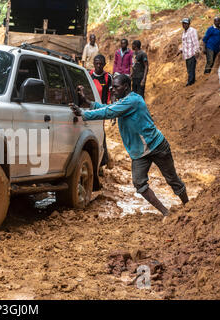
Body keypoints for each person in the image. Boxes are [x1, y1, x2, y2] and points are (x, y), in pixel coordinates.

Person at [71, 74, 188, 216]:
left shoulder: (133, 100)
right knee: (139, 183)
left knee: (172, 180)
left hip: (156, 146)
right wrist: (88, 102)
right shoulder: (125, 101)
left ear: (125, 86)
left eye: (116, 87)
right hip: (140, 152)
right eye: (112, 87)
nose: (112, 89)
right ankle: (166, 213)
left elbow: (109, 112)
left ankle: (188, 206)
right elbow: (109, 107)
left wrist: (84, 114)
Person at [89, 54, 114, 170]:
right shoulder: (88, 75)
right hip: (89, 109)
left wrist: (113, 110)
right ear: (94, 63)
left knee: (100, 133)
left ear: (104, 64)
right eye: (96, 63)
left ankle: (101, 163)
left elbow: (112, 94)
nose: (98, 66)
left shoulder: (108, 77)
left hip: (101, 110)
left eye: (101, 63)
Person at [178, 18, 200, 86]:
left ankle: (190, 82)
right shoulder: (184, 32)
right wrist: (181, 50)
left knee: (191, 69)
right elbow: (185, 43)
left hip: (191, 53)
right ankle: (191, 81)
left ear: (189, 24)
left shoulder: (192, 31)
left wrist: (197, 52)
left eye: (186, 23)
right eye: (183, 23)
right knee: (189, 69)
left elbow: (195, 42)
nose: (184, 25)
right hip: (186, 54)